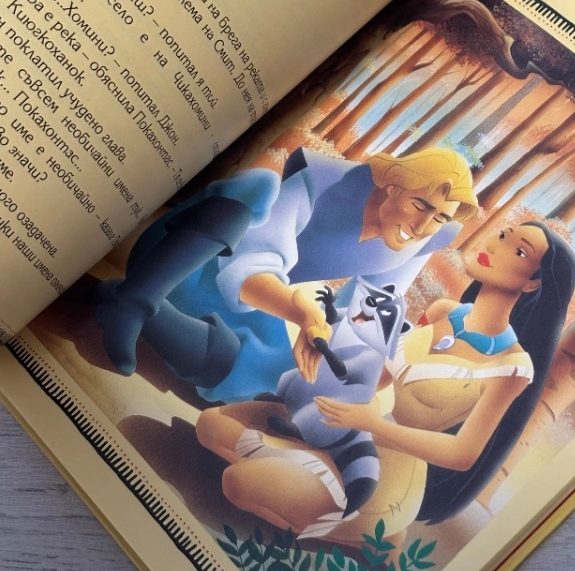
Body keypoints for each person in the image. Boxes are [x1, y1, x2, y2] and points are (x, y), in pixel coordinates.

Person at [196, 221, 575, 543]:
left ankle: (360, 526)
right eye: (504, 234)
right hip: (342, 428)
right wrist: (327, 345)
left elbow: (462, 453)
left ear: (533, 283)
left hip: (385, 474)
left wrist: (372, 424)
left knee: (238, 482)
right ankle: (296, 461)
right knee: (210, 426)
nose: (495, 245)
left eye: (519, 251)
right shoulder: (444, 311)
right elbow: (378, 376)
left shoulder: (511, 367)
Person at [94, 146, 478, 403]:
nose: (424, 226)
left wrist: (351, 370)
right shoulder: (321, 184)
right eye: (420, 205)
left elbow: (371, 312)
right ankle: (136, 300)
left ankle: (127, 305)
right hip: (184, 261)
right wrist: (302, 313)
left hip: (260, 304)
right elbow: (249, 265)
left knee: (278, 365)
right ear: (393, 187)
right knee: (258, 187)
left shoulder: (423, 240)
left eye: (439, 218)